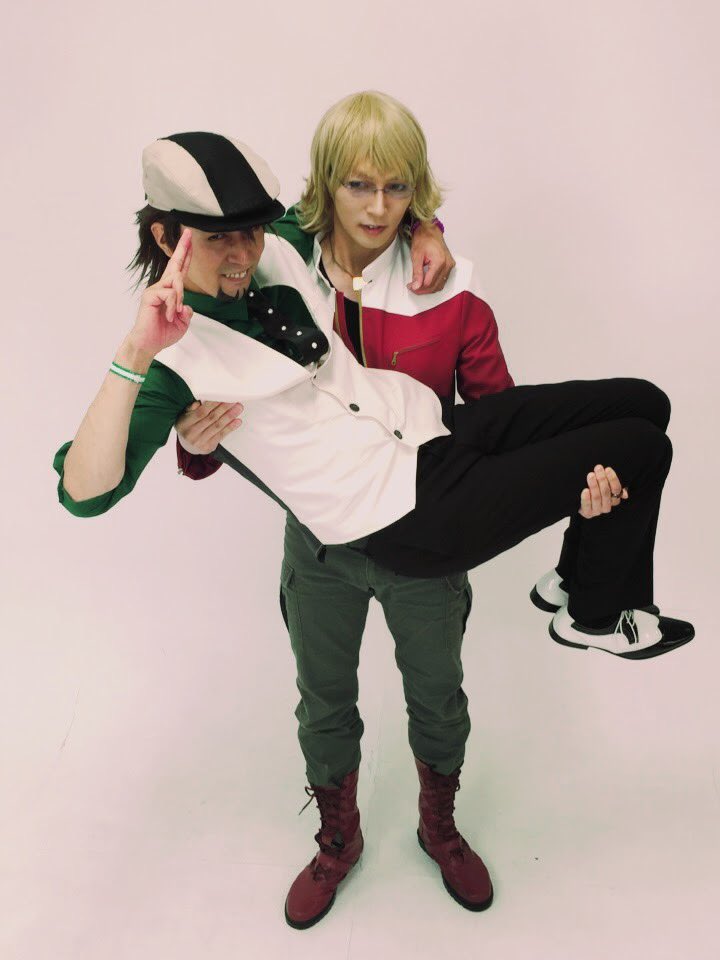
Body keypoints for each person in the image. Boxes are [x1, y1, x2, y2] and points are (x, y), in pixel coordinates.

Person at [54, 121, 694, 927]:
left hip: (429, 437)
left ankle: (564, 598)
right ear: (164, 236)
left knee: (645, 404)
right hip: (393, 520)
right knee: (640, 449)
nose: (243, 253)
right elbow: (85, 491)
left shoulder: (277, 248)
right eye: (217, 240)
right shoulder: (171, 361)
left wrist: (428, 225)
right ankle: (587, 621)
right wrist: (135, 351)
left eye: (250, 232)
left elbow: (356, 193)